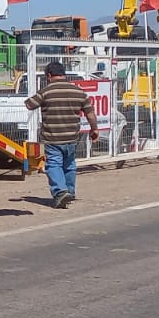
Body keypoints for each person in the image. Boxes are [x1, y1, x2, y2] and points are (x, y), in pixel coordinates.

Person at [24, 61, 99, 208]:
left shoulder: (46, 91)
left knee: (54, 165)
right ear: (64, 74)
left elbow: (29, 104)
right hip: (72, 137)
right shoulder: (78, 92)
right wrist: (94, 129)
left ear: (49, 75)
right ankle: (70, 191)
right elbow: (90, 113)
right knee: (69, 165)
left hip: (52, 138)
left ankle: (60, 192)